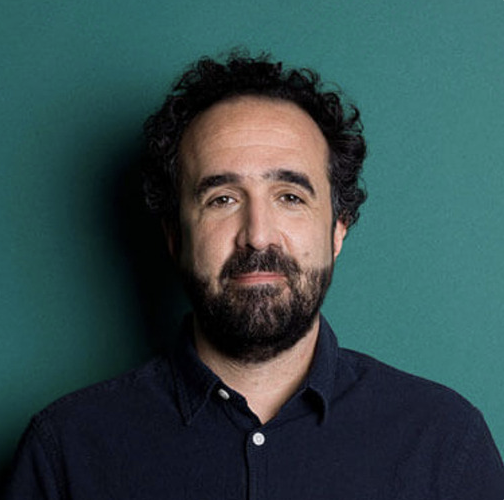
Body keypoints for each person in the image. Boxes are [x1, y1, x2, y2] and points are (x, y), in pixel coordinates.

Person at [5, 51, 504, 499]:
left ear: (337, 229)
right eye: (222, 199)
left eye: (290, 197)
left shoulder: (444, 443)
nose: (257, 236)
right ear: (174, 236)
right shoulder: (66, 451)